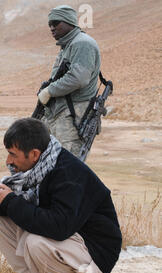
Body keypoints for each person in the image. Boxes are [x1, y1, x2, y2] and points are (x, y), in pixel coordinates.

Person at [0, 118, 122, 273]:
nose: (8, 161)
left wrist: (10, 201)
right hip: (71, 241)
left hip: (94, 254)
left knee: (34, 242)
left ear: (34, 154)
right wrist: (2, 200)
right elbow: (7, 209)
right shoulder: (36, 169)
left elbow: (59, 227)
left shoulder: (68, 174)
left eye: (13, 154)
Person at [37, 5, 101, 159]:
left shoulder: (82, 43)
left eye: (56, 23)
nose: (52, 28)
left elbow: (78, 78)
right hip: (63, 114)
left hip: (74, 116)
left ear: (69, 22)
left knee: (68, 165)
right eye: (49, 25)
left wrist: (50, 91)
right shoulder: (68, 45)